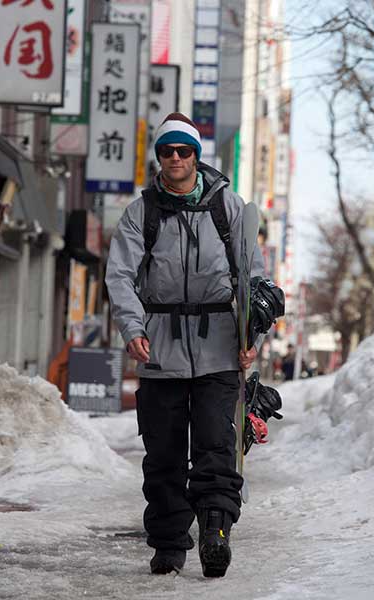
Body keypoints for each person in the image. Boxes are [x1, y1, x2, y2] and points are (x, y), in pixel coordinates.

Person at [105, 112, 265, 577]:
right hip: (159, 350)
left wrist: (251, 335)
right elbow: (120, 276)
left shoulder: (228, 208)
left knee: (216, 446)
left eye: (184, 151)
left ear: (197, 156)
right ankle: (170, 542)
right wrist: (133, 328)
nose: (175, 159)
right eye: (167, 151)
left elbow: (251, 277)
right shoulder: (142, 212)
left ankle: (216, 530)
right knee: (165, 454)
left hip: (218, 347)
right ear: (159, 157)